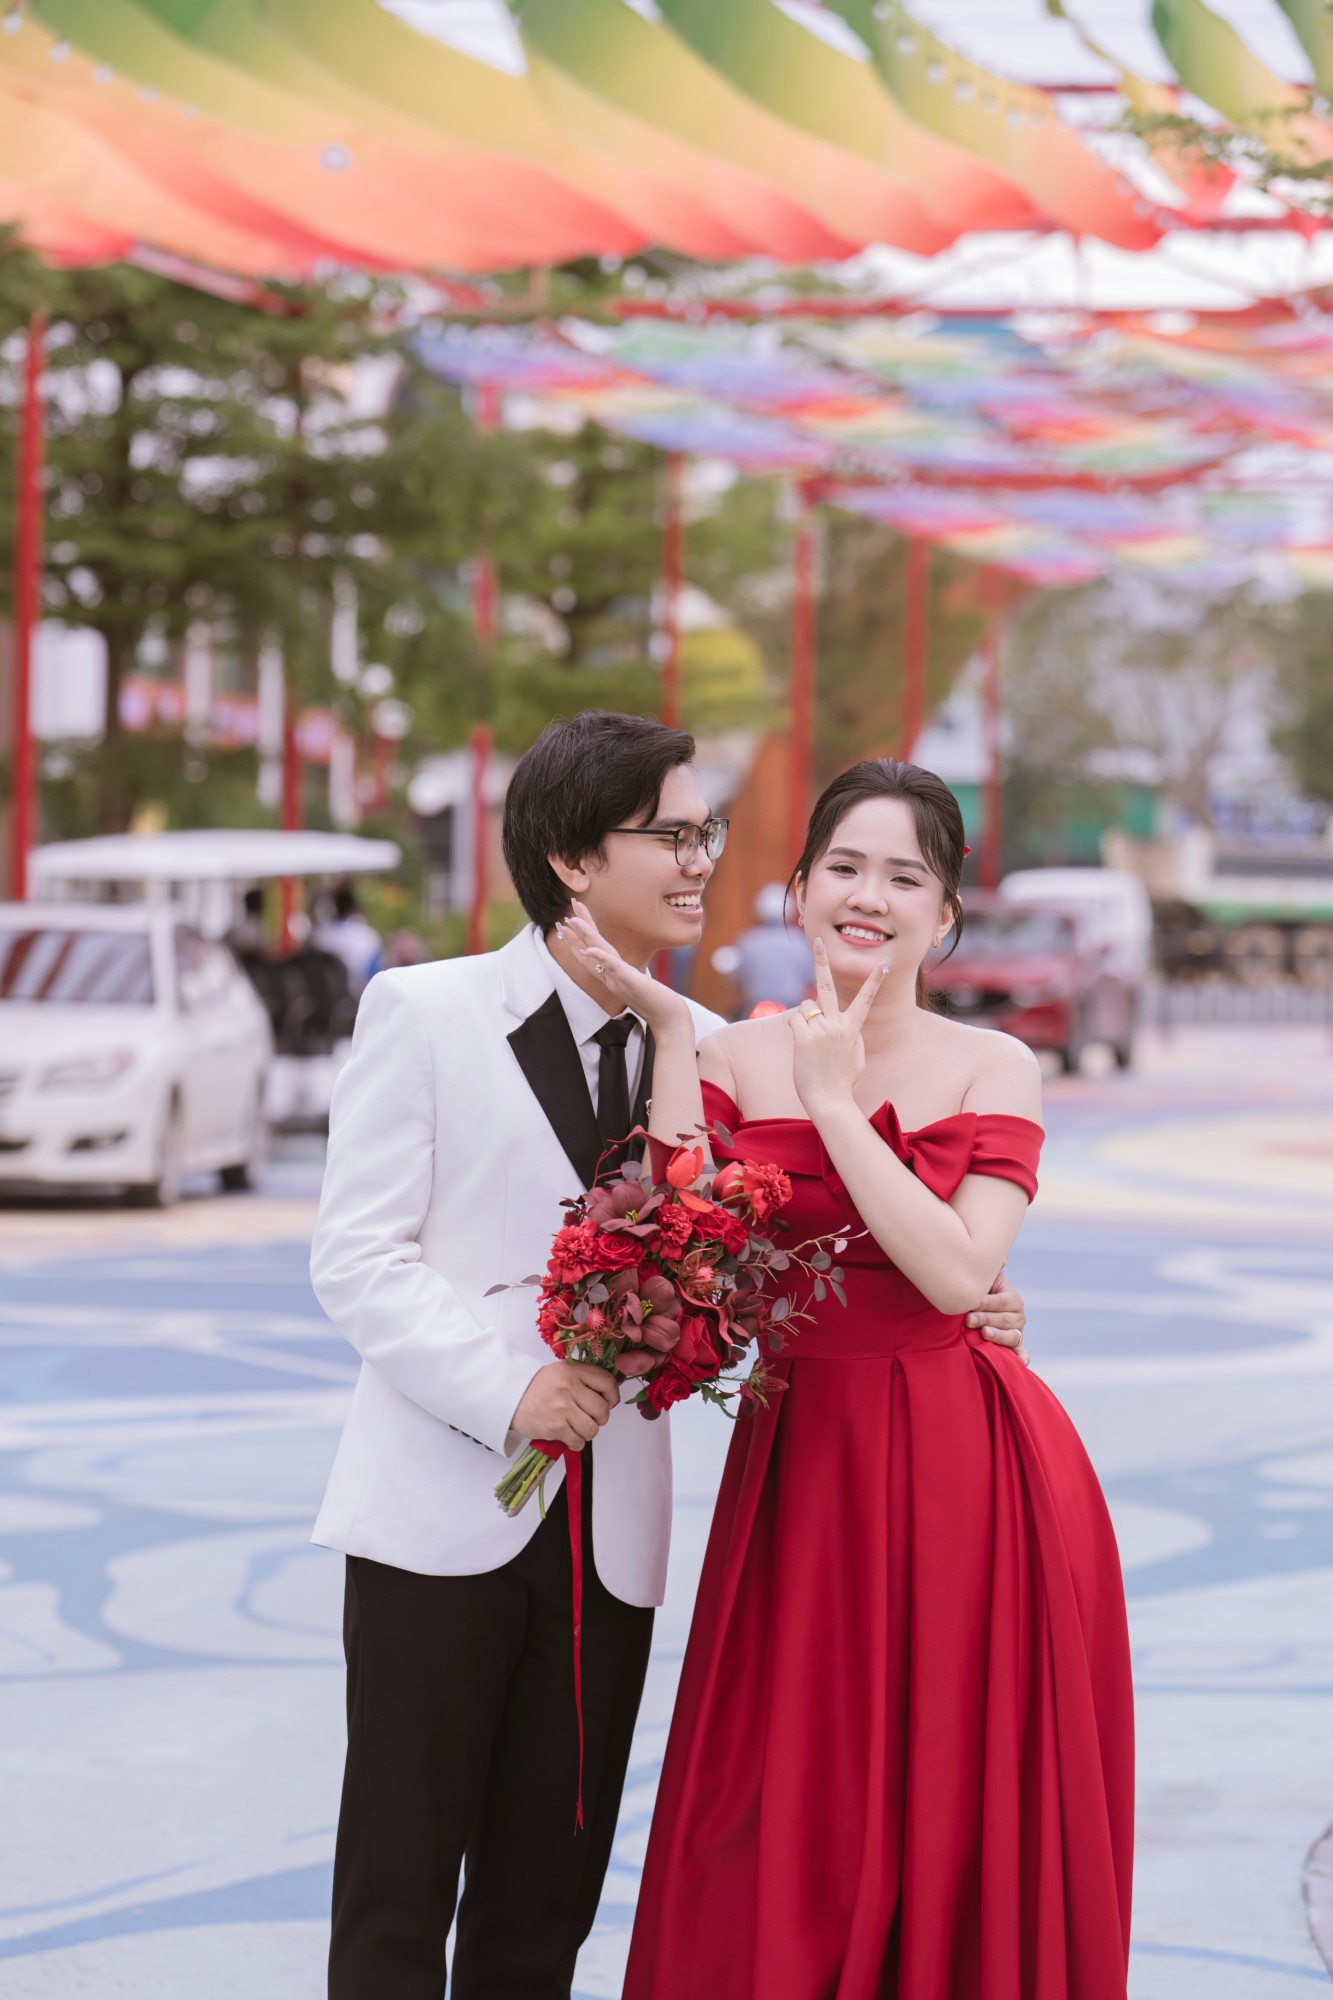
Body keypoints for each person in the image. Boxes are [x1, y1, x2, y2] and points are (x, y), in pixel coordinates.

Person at [308, 717, 1032, 2000]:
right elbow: (356, 1258)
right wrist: (513, 1391)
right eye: (674, 834)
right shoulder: (424, 1009)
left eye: (707, 832)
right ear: (573, 858)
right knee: (395, 1894)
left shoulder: (704, 1042)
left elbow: (762, 1246)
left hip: (613, 1540)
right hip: (437, 1511)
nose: (703, 860)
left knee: (545, 1908)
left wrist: (970, 1302)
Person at [567, 758, 1133, 2000]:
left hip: (969, 1467)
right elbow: (678, 1251)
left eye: (904, 876)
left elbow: (957, 1271)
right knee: (778, 1797)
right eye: (843, 866)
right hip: (802, 1459)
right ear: (798, 890)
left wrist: (829, 1102)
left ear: (946, 914)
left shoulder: (993, 1064)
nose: (868, 895)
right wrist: (675, 1033)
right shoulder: (727, 1050)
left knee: (951, 1791)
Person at [712, 880, 815, 1016]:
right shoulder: (799, 940)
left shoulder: (746, 940)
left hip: (753, 1006)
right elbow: (809, 977)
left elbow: (735, 979)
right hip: (790, 1007)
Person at [311, 883, 382, 996]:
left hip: (325, 994)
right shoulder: (367, 935)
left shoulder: (321, 935)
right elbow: (373, 972)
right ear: (354, 908)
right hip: (359, 994)